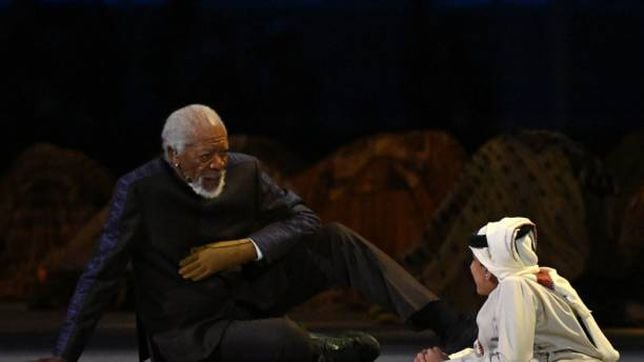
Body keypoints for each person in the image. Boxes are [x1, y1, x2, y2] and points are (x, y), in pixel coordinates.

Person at [37, 104, 475, 362]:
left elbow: (305, 220)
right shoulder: (139, 190)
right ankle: (324, 350)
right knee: (284, 339)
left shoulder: (245, 172)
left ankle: (447, 325)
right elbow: (101, 274)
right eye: (207, 156)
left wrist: (244, 249)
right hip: (192, 329)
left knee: (337, 238)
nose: (218, 165)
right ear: (174, 155)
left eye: (224, 152)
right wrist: (64, 354)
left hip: (245, 295)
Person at [414, 217, 620, 362]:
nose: (471, 268)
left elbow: (513, 360)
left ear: (488, 268)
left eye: (475, 261)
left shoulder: (516, 287)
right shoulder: (540, 278)